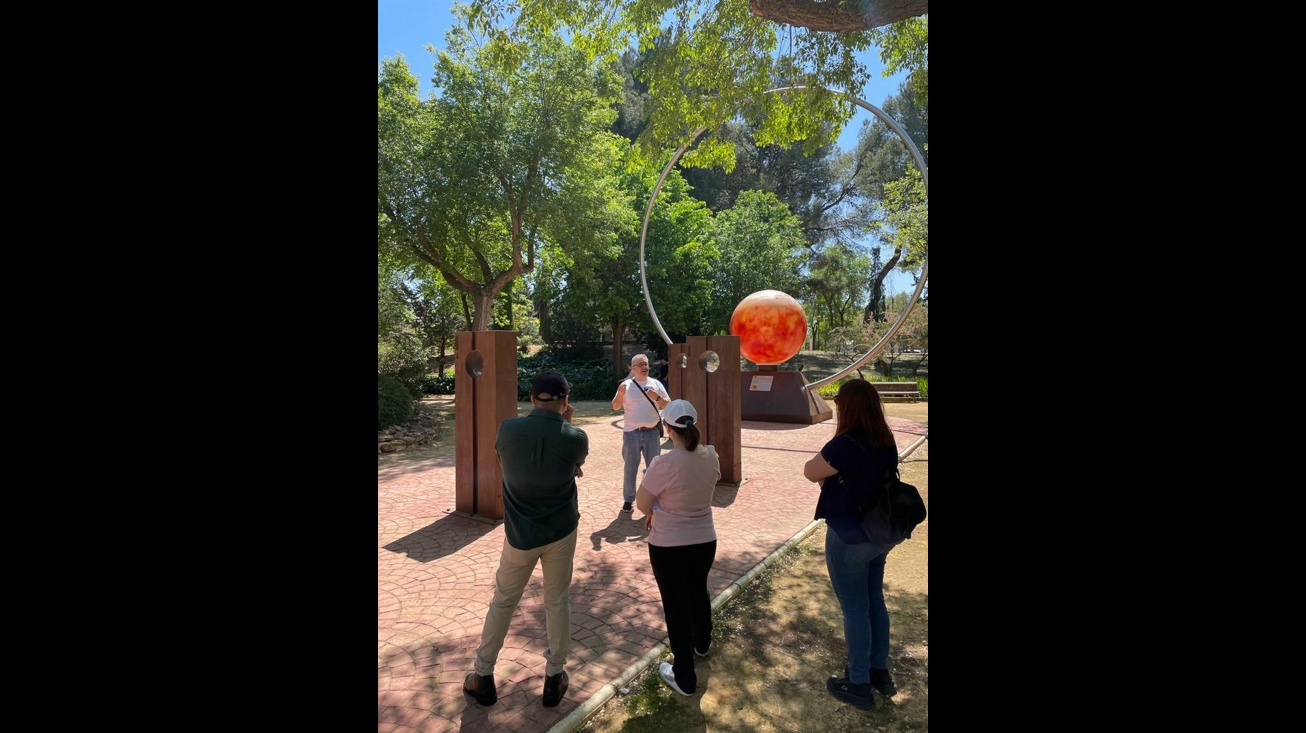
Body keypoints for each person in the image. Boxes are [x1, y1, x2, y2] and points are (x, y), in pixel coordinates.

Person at [464, 371, 588, 709]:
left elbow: (508, 460)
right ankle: (554, 677)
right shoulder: (575, 437)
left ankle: (483, 675)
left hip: (519, 535)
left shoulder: (507, 429)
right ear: (566, 400)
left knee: (503, 602)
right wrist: (567, 422)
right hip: (561, 531)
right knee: (556, 601)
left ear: (532, 398)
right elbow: (574, 462)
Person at [801, 378, 901, 710]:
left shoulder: (842, 445)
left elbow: (809, 471)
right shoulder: (886, 440)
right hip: (880, 535)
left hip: (849, 537)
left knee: (855, 609)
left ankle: (858, 682)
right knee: (875, 601)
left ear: (848, 408)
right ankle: (878, 671)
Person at [635, 399, 719, 697]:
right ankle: (702, 642)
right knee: (698, 590)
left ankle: (684, 675)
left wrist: (655, 511)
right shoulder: (711, 455)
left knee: (675, 605)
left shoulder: (664, 463)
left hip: (669, 543)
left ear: (667, 428)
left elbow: (642, 503)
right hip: (705, 539)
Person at [610, 352, 669, 513]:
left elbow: (668, 405)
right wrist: (620, 395)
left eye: (646, 364)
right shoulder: (626, 386)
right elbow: (615, 406)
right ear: (633, 368)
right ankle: (628, 500)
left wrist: (656, 398)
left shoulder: (656, 384)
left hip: (652, 434)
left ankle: (654, 498)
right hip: (631, 434)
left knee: (654, 468)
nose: (645, 367)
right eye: (641, 364)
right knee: (630, 468)